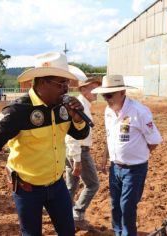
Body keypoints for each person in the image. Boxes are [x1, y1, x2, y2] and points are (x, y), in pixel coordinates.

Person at [0, 52, 90, 235]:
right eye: (61, 83)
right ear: (42, 83)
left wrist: (78, 118)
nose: (66, 89)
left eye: (67, 83)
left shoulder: (64, 108)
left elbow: (81, 133)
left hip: (57, 185)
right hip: (27, 189)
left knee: (68, 232)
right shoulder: (18, 111)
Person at [92, 75, 162, 236]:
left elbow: (154, 140)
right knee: (115, 204)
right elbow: (110, 136)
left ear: (122, 92)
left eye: (109, 95)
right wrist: (104, 157)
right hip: (115, 167)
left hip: (134, 169)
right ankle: (118, 232)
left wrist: (138, 154)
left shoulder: (139, 112)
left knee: (127, 206)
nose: (107, 99)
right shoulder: (108, 111)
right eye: (104, 96)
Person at [65, 75, 101, 231]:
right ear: (83, 89)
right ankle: (77, 215)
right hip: (79, 150)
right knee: (93, 184)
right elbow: (72, 135)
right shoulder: (81, 106)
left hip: (70, 151)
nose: (96, 92)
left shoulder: (83, 104)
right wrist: (77, 159)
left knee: (71, 185)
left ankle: (65, 215)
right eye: (93, 88)